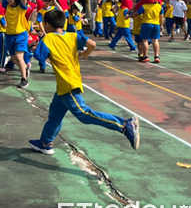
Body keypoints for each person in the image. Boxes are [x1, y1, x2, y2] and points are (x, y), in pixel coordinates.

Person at [29, 9, 140, 155]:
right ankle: (45, 142)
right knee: (55, 114)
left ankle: (124, 125)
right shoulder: (73, 35)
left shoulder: (48, 39)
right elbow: (92, 43)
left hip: (67, 83)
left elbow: (40, 57)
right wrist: (84, 53)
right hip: (68, 82)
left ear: (47, 25)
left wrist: (33, 46)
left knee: (84, 114)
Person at [0, 0, 29, 88]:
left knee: (19, 57)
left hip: (20, 34)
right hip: (9, 35)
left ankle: (24, 79)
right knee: (14, 60)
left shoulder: (21, 8)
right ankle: (25, 67)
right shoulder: (7, 6)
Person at [130, 0, 163, 64]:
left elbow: (136, 13)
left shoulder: (144, 6)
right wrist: (161, 25)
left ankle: (145, 56)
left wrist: (128, 16)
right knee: (155, 40)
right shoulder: (159, 6)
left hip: (146, 24)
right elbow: (161, 16)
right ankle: (156, 56)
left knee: (144, 40)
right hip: (156, 25)